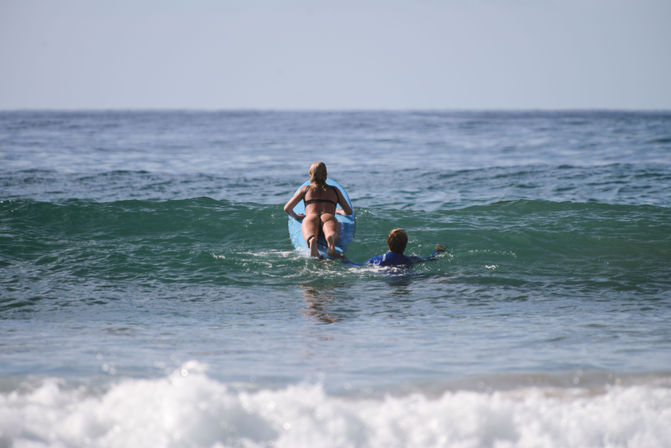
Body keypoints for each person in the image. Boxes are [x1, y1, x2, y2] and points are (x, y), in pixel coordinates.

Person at [284, 161, 353, 258]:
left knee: (310, 234)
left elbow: (287, 208)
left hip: (311, 217)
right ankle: (331, 240)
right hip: (328, 216)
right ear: (326, 174)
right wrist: (339, 211)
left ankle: (312, 240)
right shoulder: (334, 190)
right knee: (331, 233)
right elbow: (348, 211)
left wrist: (296, 216)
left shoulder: (306, 189)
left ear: (310, 174)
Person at [342, 228, 445, 267]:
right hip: (405, 277)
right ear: (405, 245)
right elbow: (430, 259)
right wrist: (437, 250)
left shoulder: (377, 260)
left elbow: (358, 267)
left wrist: (343, 258)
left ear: (388, 241)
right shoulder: (410, 260)